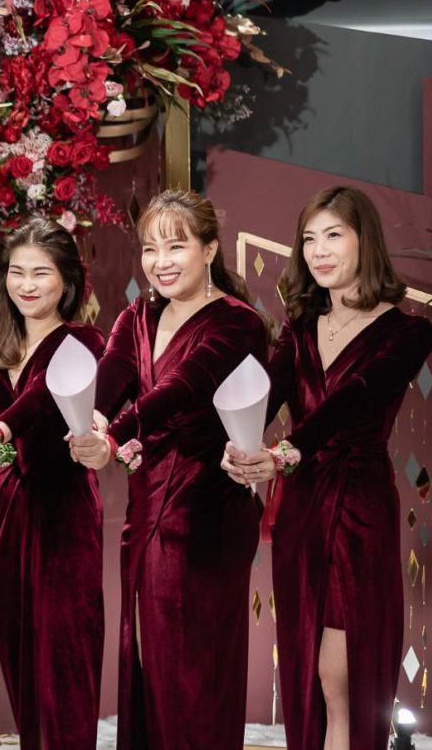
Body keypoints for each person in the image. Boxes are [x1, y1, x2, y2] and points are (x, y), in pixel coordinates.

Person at [222, 187, 432, 750]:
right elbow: (264, 396)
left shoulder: (409, 331)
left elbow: (358, 398)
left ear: (366, 241)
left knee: (340, 675)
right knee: (306, 666)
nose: (318, 251)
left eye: (334, 236)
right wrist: (238, 445)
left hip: (359, 506)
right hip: (301, 510)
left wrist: (284, 453)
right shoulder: (299, 327)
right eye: (309, 239)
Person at [69, 189, 267, 749]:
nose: (161, 262)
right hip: (148, 501)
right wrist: (91, 419)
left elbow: (183, 387)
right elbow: (113, 372)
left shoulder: (238, 323)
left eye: (176, 246)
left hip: (207, 510)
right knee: (148, 660)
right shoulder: (139, 313)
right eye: (150, 249)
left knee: (196, 671)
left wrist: (113, 435)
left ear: (210, 249)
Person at [0, 217, 104, 750]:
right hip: (4, 515)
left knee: (65, 663)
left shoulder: (82, 341)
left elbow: (38, 401)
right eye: (16, 272)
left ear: (68, 280)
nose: (26, 285)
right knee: (19, 661)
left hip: (64, 517)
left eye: (41, 273)